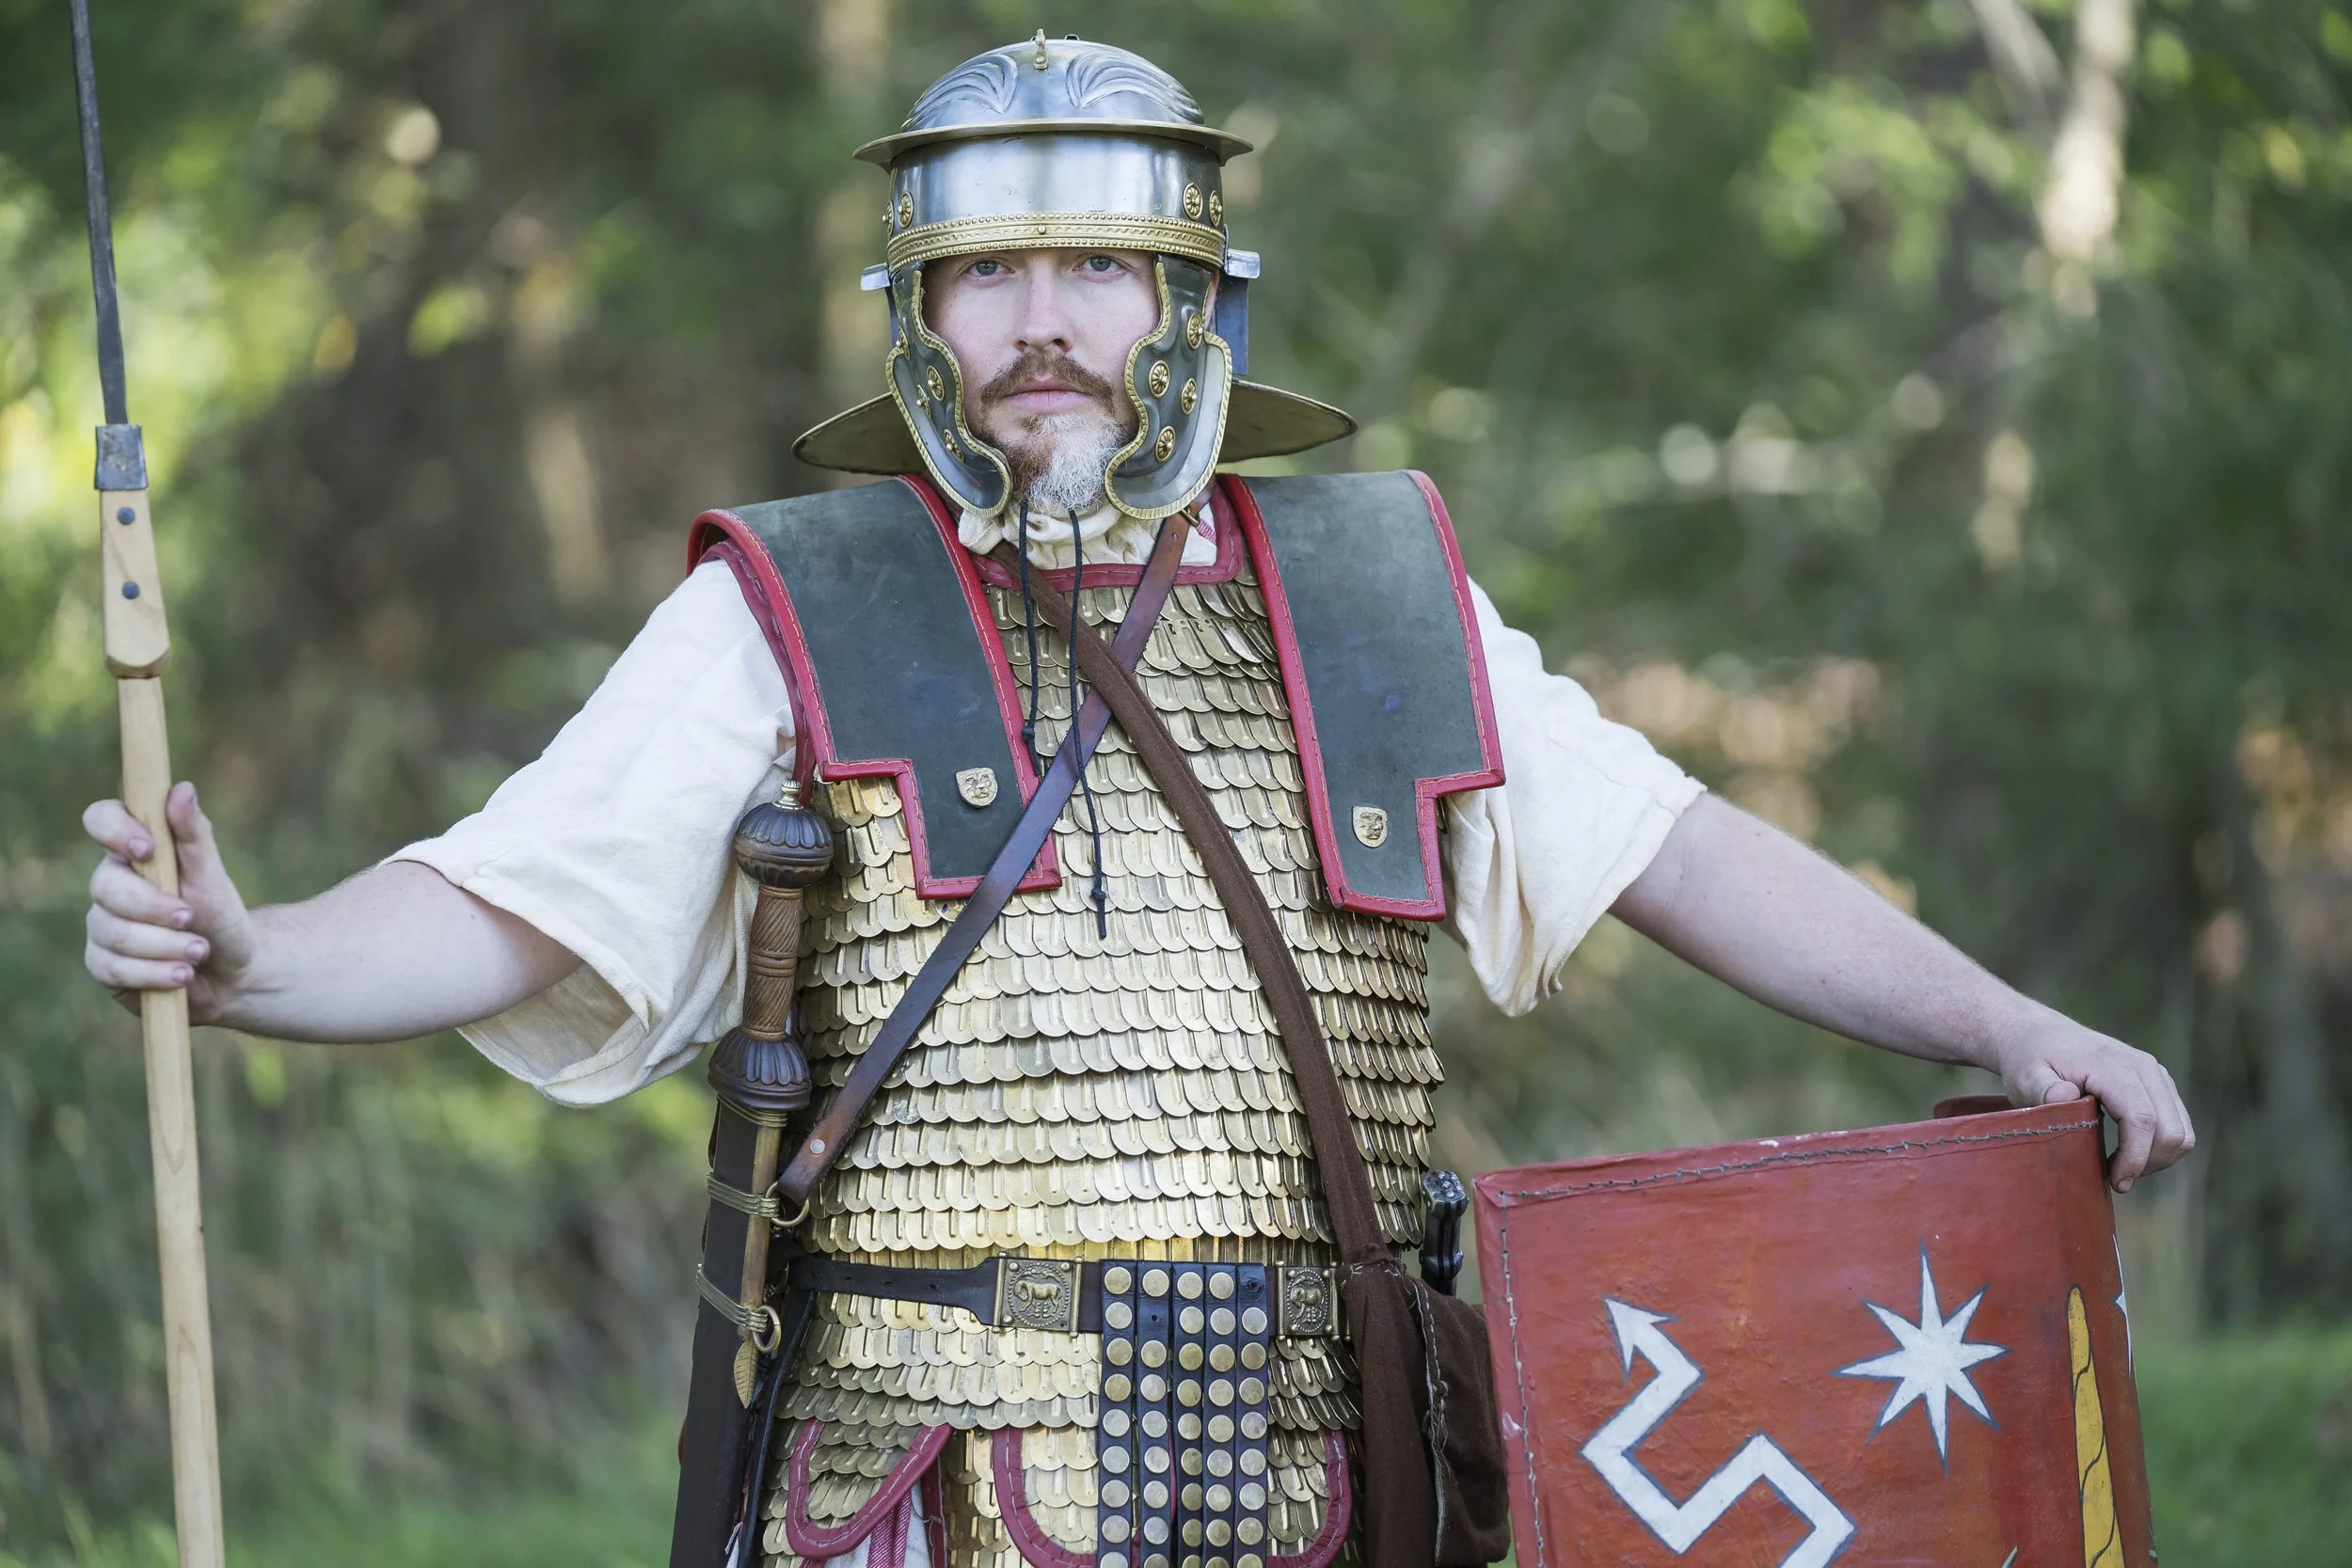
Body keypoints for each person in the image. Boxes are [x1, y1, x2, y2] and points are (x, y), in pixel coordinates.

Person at [78, 35, 2191, 1568]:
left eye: (1092, 271)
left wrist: (2001, 1026)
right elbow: (517, 896)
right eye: (986, 279)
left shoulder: (1369, 588)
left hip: (1322, 1470)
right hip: (926, 1478)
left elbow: (1678, 849)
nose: (1039, 328)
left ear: (1187, 300)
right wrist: (252, 957)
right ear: (914, 311)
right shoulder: (796, 602)